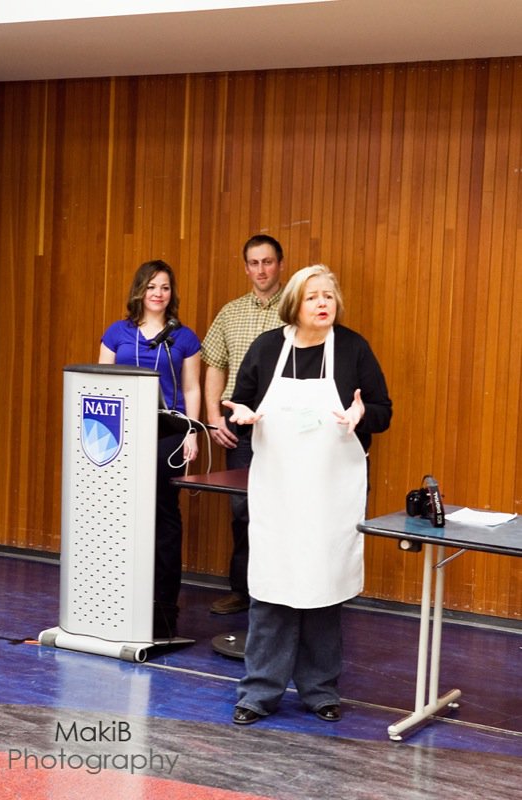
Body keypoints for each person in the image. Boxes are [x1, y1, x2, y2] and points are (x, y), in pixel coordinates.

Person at [223, 264, 392, 724]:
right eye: (313, 296)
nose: (322, 304)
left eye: (328, 297)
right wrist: (241, 416)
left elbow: (383, 410)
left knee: (323, 588)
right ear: (294, 304)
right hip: (278, 491)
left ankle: (320, 690)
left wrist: (361, 415)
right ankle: (258, 692)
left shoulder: (353, 348)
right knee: (272, 589)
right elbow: (239, 403)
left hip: (330, 494)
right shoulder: (266, 348)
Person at [99, 259, 201, 640]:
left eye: (165, 287)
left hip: (168, 432)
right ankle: (119, 600)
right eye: (152, 286)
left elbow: (191, 388)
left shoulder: (184, 338)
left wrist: (192, 431)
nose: (159, 293)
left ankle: (164, 609)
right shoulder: (117, 333)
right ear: (139, 290)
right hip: (122, 434)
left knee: (162, 513)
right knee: (122, 514)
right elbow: (100, 383)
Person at [201, 234, 285, 615]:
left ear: (280, 265)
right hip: (239, 427)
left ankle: (279, 593)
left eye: (268, 262)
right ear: (246, 268)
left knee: (283, 508)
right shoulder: (230, 313)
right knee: (242, 509)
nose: (261, 270)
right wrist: (213, 418)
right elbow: (215, 366)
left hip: (284, 428)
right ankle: (242, 589)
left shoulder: (296, 310)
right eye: (254, 263)